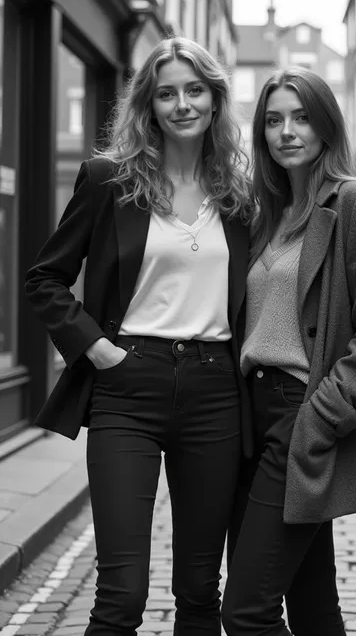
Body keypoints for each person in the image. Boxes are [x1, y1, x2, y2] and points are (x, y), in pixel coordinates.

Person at [25, 37, 253, 636]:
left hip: (216, 391)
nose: (182, 104)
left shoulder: (240, 192)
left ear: (214, 98)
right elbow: (45, 279)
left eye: (194, 90)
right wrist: (98, 348)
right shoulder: (109, 180)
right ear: (148, 105)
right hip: (128, 386)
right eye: (166, 92)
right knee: (121, 595)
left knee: (202, 592)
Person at [222, 67, 356, 636]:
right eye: (274, 120)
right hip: (249, 423)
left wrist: (322, 416)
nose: (287, 131)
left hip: (301, 418)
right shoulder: (263, 216)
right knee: (311, 606)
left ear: (326, 124)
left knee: (247, 611)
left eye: (301, 117)